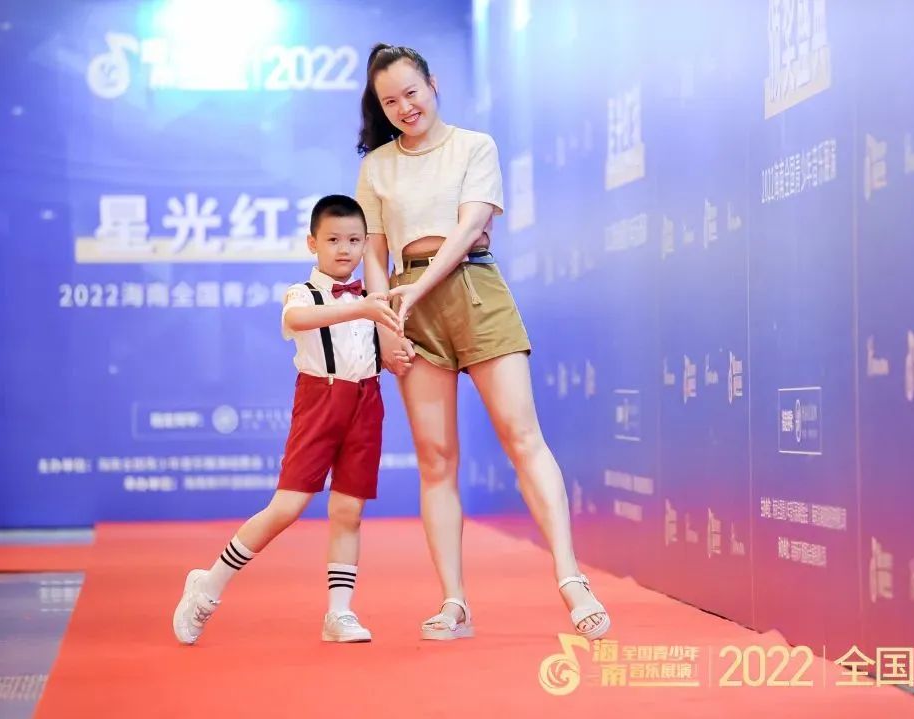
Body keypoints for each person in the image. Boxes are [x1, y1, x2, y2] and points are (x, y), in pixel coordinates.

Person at [355, 43, 611, 641]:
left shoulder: (475, 146)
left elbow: (471, 226)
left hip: (475, 289)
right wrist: (385, 322)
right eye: (390, 102)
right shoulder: (377, 167)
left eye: (411, 93)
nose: (404, 108)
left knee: (523, 437)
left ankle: (571, 579)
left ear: (433, 84)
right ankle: (454, 603)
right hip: (406, 307)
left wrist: (414, 295)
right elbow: (373, 254)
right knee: (435, 459)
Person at [172, 195, 404, 645]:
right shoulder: (304, 293)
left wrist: (398, 352)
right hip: (320, 402)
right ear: (312, 243)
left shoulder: (372, 298)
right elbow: (297, 319)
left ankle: (339, 613)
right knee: (287, 507)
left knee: (349, 510)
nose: (344, 249)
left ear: (366, 245)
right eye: (333, 240)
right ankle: (209, 584)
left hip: (366, 404)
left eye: (354, 240)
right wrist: (363, 308)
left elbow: (382, 352)